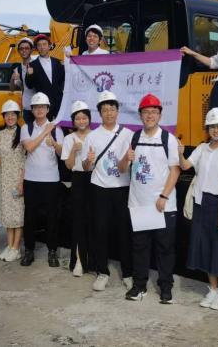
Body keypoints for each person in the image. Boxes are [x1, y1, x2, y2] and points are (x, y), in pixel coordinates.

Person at [119, 94, 180, 304]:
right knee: (139, 247)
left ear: (160, 115)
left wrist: (164, 196)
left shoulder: (168, 139)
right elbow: (122, 169)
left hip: (163, 204)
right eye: (146, 112)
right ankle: (139, 286)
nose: (150, 116)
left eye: (154, 112)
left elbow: (175, 171)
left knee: (165, 249)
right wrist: (126, 159)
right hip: (139, 204)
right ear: (140, 115)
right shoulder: (134, 138)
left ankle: (166, 287)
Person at [179, 107, 218, 310]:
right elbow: (185, 166)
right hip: (201, 202)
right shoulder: (202, 148)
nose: (215, 130)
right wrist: (180, 153)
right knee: (205, 246)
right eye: (212, 127)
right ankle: (213, 289)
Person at [82, 90, 134, 292]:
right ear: (100, 113)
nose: (109, 113)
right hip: (99, 189)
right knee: (100, 231)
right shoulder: (92, 136)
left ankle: (128, 273)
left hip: (122, 189)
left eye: (112, 109)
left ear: (118, 111)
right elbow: (86, 167)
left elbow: (128, 166)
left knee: (124, 232)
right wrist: (88, 160)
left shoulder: (128, 134)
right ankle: (102, 272)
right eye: (105, 110)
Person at [19, 92, 64, 267]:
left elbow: (62, 154)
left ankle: (52, 251)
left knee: (52, 217)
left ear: (47, 109)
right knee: (30, 216)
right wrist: (45, 131)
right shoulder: (26, 128)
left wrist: (55, 144)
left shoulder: (57, 130)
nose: (39, 110)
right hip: (31, 179)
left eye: (42, 107)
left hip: (51, 179)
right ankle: (29, 250)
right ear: (32, 110)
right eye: (36, 107)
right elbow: (29, 147)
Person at [60, 100, 94, 276]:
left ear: (89, 118)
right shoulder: (68, 139)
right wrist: (74, 150)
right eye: (78, 118)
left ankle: (94, 261)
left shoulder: (96, 135)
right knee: (79, 221)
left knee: (94, 220)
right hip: (78, 180)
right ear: (73, 121)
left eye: (84, 117)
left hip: (95, 179)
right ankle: (78, 261)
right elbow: (68, 165)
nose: (81, 121)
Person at [0, 99, 26, 262]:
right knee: (7, 214)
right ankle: (9, 245)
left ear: (17, 116)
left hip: (17, 179)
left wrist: (21, 182)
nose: (10, 117)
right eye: (7, 115)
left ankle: (16, 248)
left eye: (13, 114)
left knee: (17, 214)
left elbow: (25, 160)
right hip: (4, 179)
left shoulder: (23, 133)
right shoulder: (0, 134)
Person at [24, 33, 65, 121]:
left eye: (44, 44)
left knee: (60, 128)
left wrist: (68, 64)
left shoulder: (58, 62)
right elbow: (29, 86)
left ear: (49, 46)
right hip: (43, 105)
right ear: (36, 48)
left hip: (59, 104)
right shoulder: (32, 65)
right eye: (39, 45)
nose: (42, 47)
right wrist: (29, 75)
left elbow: (63, 81)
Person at [10, 37, 36, 125]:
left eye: (26, 48)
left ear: (31, 50)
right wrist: (12, 78)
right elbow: (12, 89)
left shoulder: (37, 64)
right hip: (26, 107)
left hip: (39, 105)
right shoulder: (18, 69)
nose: (24, 51)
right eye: (21, 49)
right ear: (18, 51)